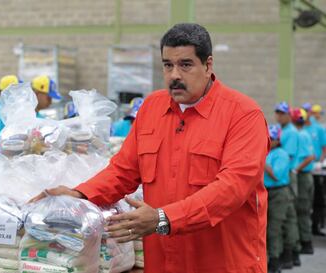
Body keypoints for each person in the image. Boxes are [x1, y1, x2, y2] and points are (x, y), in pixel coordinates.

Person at [31, 23, 270, 273]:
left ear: (208, 65)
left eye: (185, 65)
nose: (175, 75)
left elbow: (232, 188)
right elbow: (123, 171)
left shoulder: (243, 115)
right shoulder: (152, 108)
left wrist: (164, 218)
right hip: (165, 261)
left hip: (223, 262)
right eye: (168, 65)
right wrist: (80, 195)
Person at [273, 102, 301, 267]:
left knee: (288, 214)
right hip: (283, 173)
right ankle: (288, 251)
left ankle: (292, 251)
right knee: (284, 215)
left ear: (288, 115)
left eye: (282, 113)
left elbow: (287, 157)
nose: (279, 115)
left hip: (286, 174)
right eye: (277, 112)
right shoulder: (280, 129)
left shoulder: (290, 132)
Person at [264, 124, 294, 273]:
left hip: (278, 193)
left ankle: (275, 261)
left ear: (277, 139)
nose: (269, 140)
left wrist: (262, 161)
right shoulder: (267, 152)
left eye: (271, 138)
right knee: (265, 227)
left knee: (274, 228)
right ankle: (269, 258)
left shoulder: (281, 154)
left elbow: (275, 175)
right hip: (266, 192)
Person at [290, 108, 316, 254]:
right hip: (303, 175)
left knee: (302, 209)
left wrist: (296, 169)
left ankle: (306, 242)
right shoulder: (302, 133)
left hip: (303, 176)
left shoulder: (301, 135)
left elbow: (310, 157)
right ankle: (302, 240)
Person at [302, 103, 326, 236]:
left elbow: (324, 148)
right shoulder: (300, 128)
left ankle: (316, 225)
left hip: (315, 167)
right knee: (305, 200)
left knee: (317, 198)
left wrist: (320, 162)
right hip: (304, 168)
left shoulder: (318, 129)